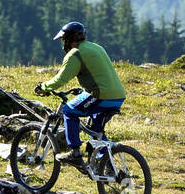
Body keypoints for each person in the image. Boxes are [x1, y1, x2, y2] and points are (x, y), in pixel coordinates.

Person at [36, 20, 125, 169]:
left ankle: (75, 153)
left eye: (64, 40)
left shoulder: (75, 54)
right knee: (95, 130)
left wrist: (43, 87)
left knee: (69, 110)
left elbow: (61, 79)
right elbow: (99, 73)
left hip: (100, 95)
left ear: (70, 40)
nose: (63, 43)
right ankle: (107, 165)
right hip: (118, 97)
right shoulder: (97, 47)